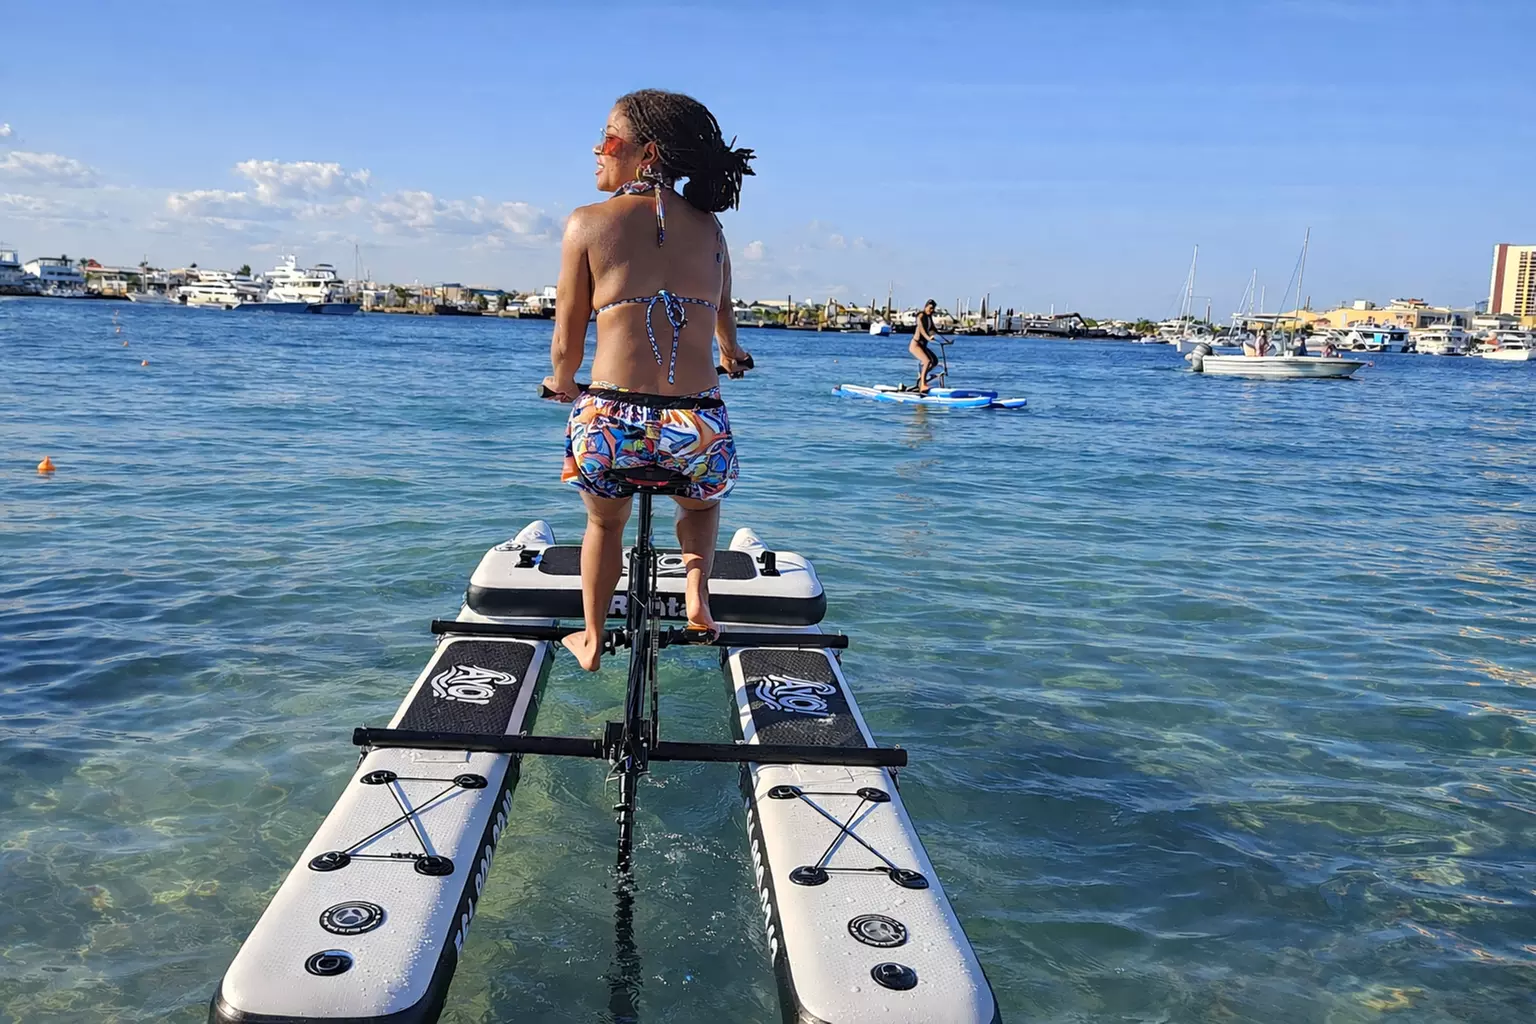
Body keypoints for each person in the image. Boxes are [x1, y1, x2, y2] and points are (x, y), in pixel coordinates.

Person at [542, 89, 755, 671]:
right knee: (700, 507)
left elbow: (567, 340)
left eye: (608, 137)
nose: (597, 148)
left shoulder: (587, 223)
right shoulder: (711, 230)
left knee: (603, 521)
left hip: (610, 422)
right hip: (695, 423)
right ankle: (697, 599)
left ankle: (591, 637)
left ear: (648, 152)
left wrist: (561, 381)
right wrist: (733, 356)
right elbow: (724, 322)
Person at [909, 299, 941, 392]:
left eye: (933, 309)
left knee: (934, 361)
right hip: (916, 345)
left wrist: (946, 339)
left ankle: (922, 377)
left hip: (923, 346)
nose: (931, 310)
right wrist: (928, 337)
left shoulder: (929, 317)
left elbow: (934, 330)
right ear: (925, 307)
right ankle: (923, 384)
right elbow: (921, 329)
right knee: (927, 361)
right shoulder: (921, 315)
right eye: (930, 308)